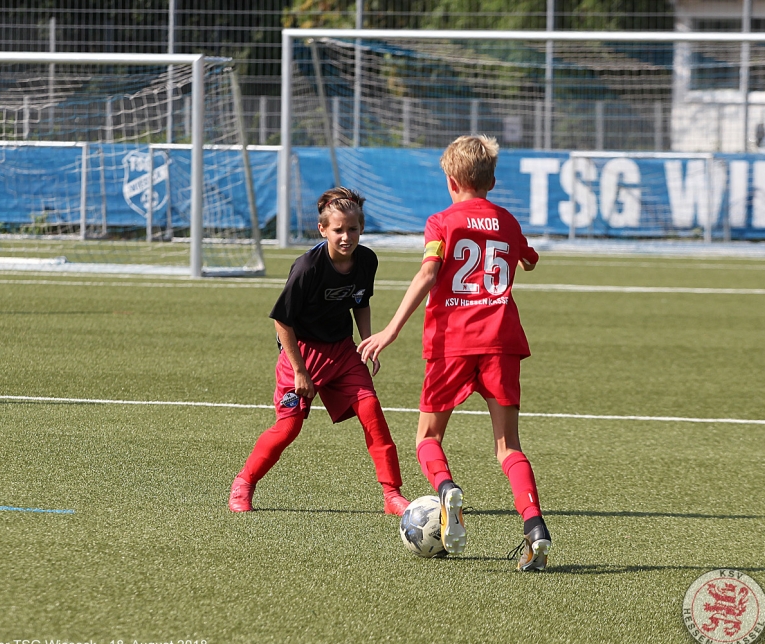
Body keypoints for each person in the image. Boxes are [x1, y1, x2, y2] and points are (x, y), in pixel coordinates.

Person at [357, 135, 551, 570]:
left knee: (428, 438)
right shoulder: (507, 221)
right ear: (492, 181)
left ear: (450, 180)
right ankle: (535, 525)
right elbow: (530, 260)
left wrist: (390, 329)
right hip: (501, 343)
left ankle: (446, 489)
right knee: (508, 447)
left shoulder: (441, 222)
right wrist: (515, 251)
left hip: (452, 345)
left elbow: (429, 272)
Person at [229, 187, 411, 516]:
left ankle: (392, 494)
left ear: (362, 228)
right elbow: (282, 322)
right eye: (338, 230)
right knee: (288, 428)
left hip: (342, 352)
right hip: (301, 354)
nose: (346, 236)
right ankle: (244, 482)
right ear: (322, 229)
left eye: (352, 229)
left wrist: (367, 343)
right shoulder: (307, 267)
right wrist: (300, 371)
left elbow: (360, 302)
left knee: (372, 413)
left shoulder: (367, 260)